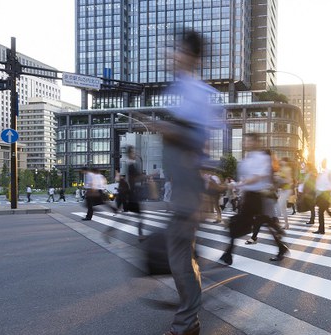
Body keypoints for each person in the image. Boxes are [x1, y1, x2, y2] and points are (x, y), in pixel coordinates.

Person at [148, 30, 222, 335]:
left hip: (189, 184)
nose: (172, 54)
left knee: (179, 255)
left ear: (192, 57)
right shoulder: (181, 90)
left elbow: (199, 141)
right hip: (182, 184)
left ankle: (187, 323)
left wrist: (165, 127)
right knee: (182, 252)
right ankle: (189, 313)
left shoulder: (196, 93)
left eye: (178, 50)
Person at [222, 133, 288, 263]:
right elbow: (245, 177)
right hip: (249, 196)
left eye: (249, 141)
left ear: (257, 142)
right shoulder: (247, 159)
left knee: (239, 222)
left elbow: (258, 177)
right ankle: (280, 244)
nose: (246, 143)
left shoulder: (262, 158)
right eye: (245, 141)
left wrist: (239, 184)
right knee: (261, 223)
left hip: (258, 197)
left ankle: (228, 254)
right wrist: (238, 185)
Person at [313, 159, 331, 234]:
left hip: (327, 194)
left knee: (320, 211)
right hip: (321, 194)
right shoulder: (322, 173)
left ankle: (321, 229)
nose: (322, 164)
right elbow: (319, 185)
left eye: (323, 162)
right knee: (322, 211)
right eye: (322, 163)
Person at [275, 157, 294, 229]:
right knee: (283, 208)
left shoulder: (288, 169)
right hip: (282, 190)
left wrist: (282, 180)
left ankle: (276, 222)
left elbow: (290, 180)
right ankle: (286, 224)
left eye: (283, 161)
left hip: (287, 190)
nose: (281, 162)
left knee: (279, 205)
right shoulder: (281, 169)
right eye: (281, 161)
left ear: (286, 162)